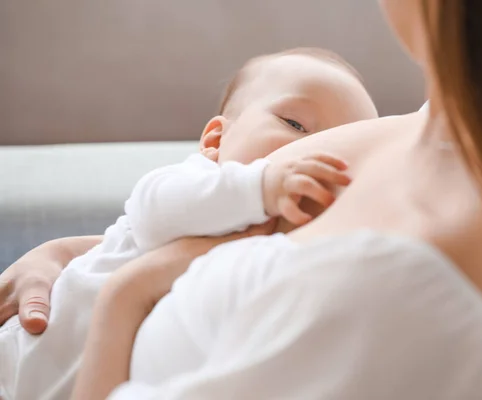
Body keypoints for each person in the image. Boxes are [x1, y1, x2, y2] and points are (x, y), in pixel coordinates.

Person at [2, 0, 482, 398]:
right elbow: (181, 218)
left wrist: (124, 294)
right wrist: (71, 254)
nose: (308, 149)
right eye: (293, 124)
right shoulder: (435, 127)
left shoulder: (390, 296)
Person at [0, 48, 378, 400]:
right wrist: (261, 186)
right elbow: (153, 211)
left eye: (340, 149)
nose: (312, 152)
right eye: (295, 123)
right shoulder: (194, 182)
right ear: (216, 137)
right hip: (22, 355)